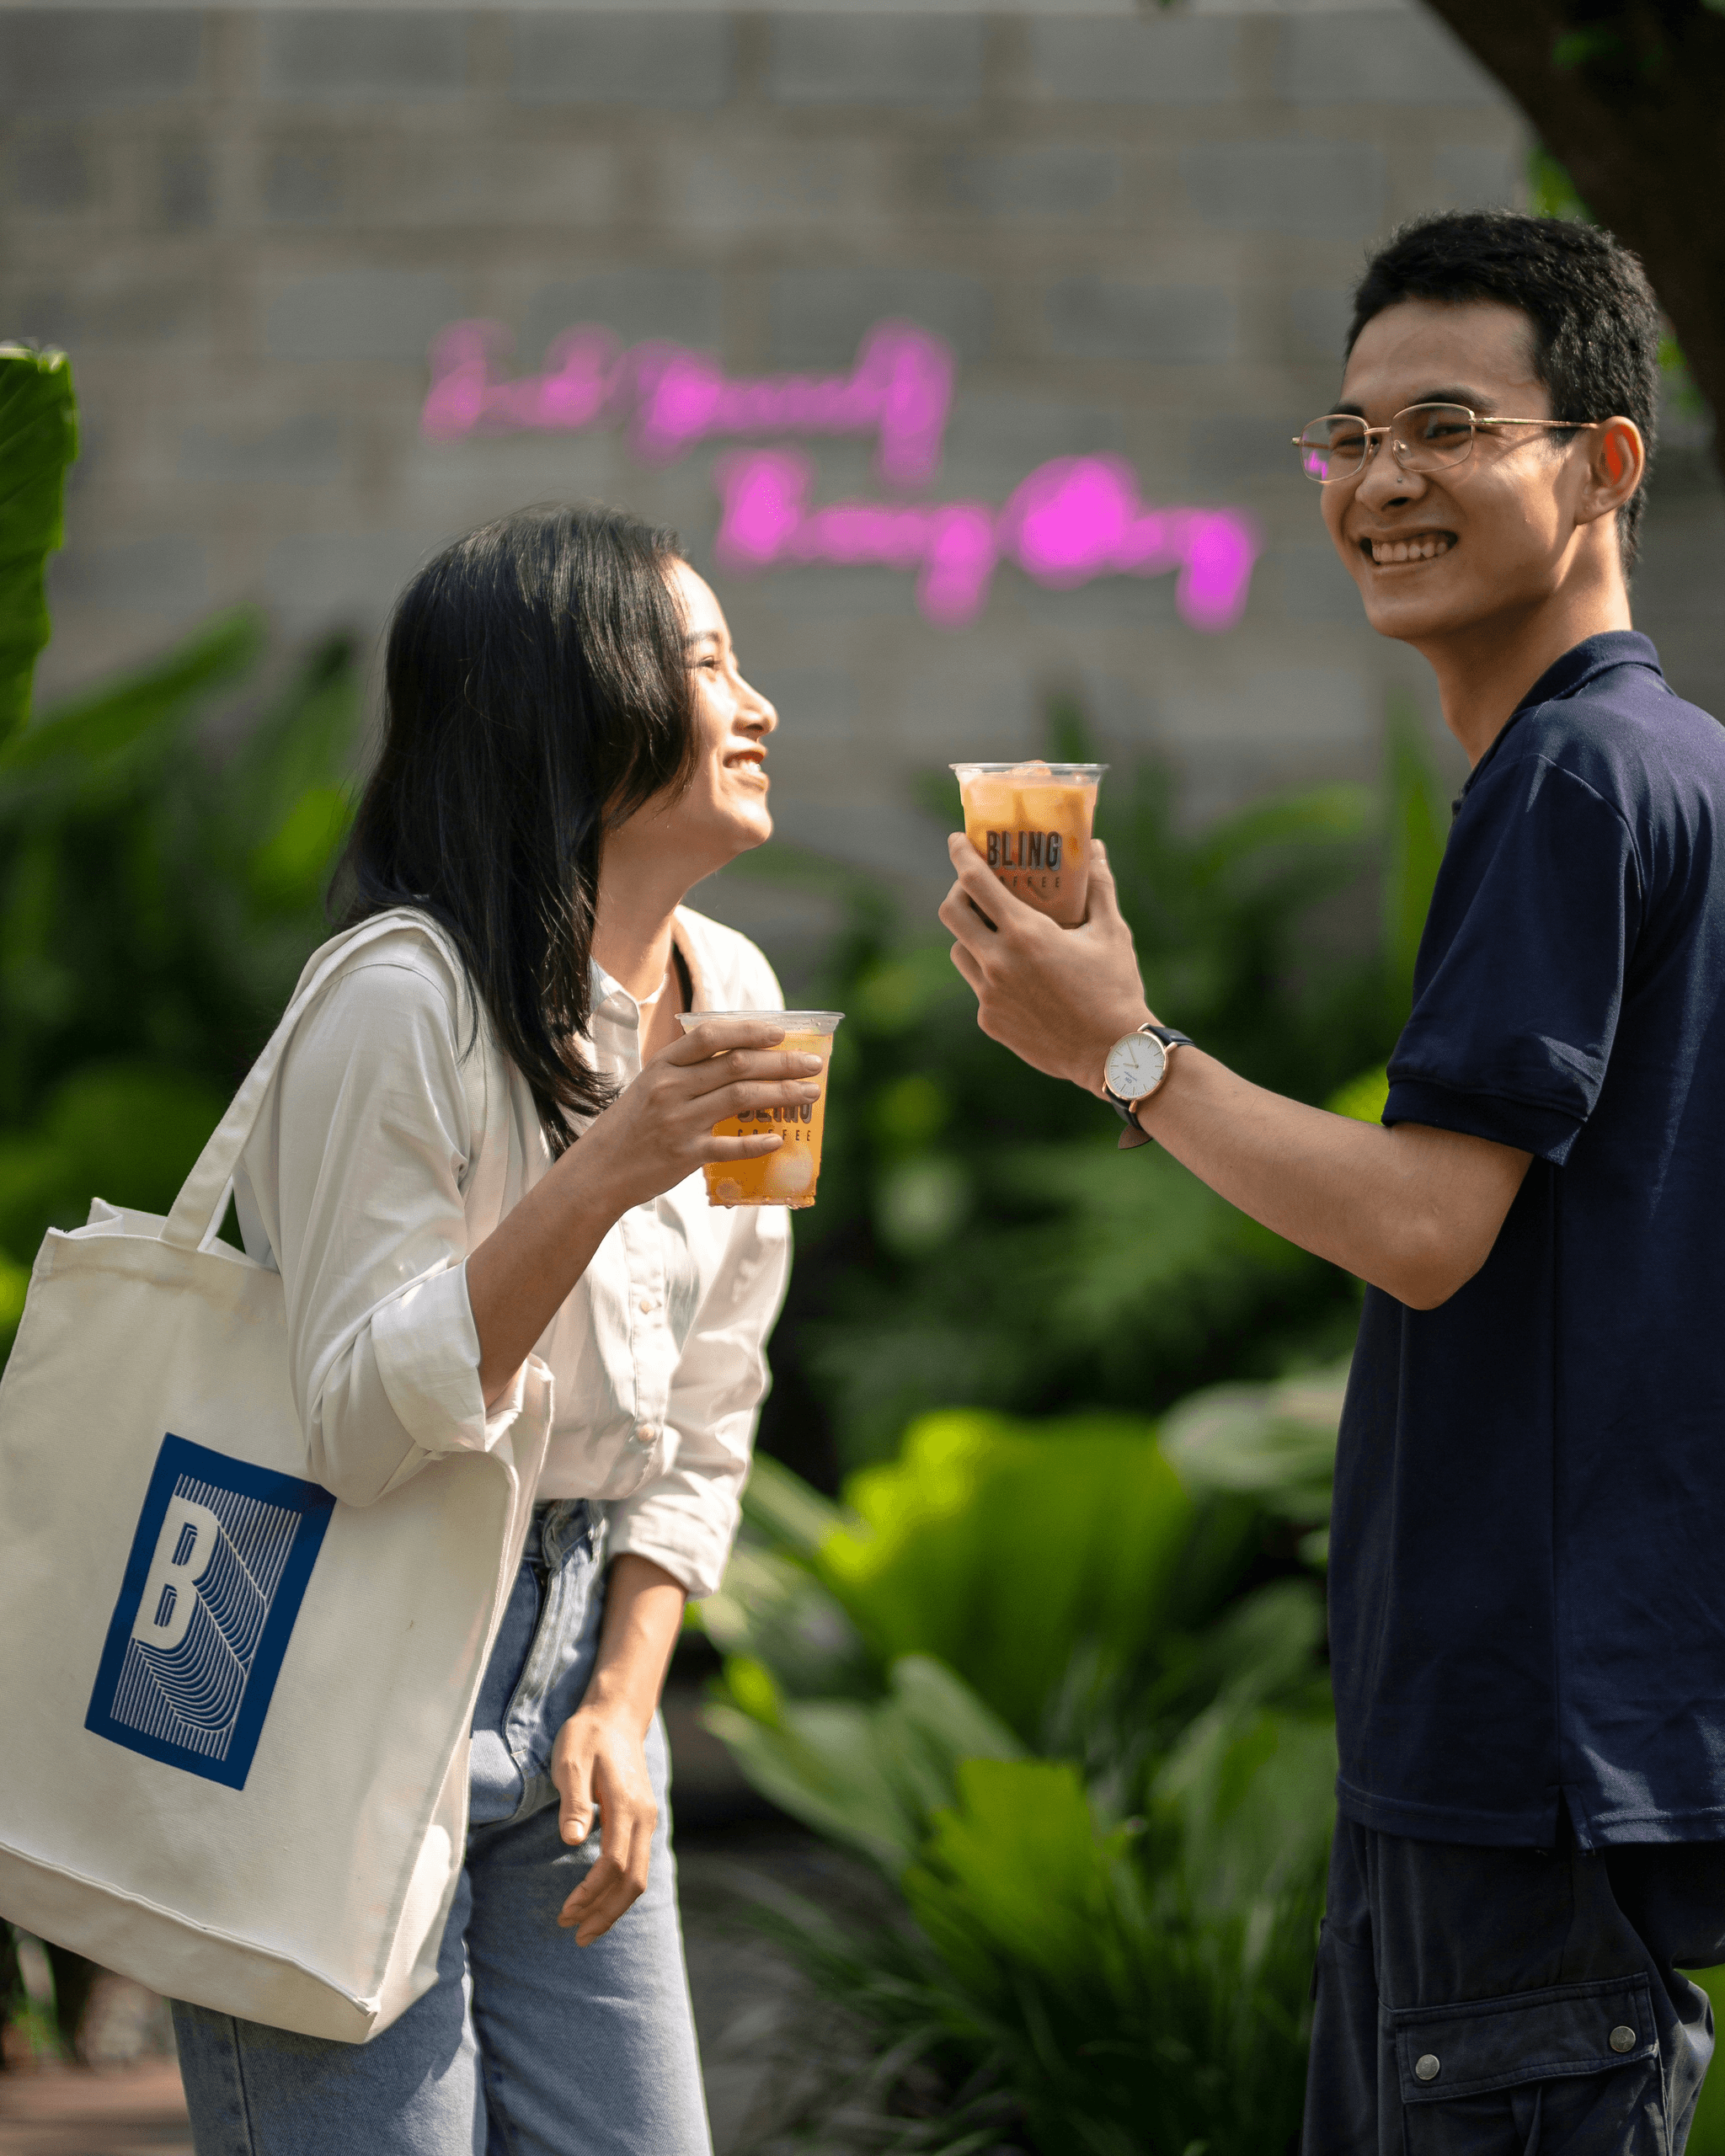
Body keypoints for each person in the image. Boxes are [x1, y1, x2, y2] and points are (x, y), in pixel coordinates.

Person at [937, 210, 1725, 2153]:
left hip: (1517, 1760)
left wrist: (1121, 1051)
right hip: (1574, 1747)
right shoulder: (1672, 767)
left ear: (1601, 462)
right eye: (1348, 435)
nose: (1378, 482)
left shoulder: (1569, 783)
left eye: (1446, 426)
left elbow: (1422, 1226)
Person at [170, 504, 823, 2155]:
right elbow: (362, 1429)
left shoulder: (738, 991)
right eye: (705, 663)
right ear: (574, 706)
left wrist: (624, 1696)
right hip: (339, 1668)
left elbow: (719, 1383)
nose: (756, 707)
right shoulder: (398, 1000)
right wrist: (610, 1163)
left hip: (577, 1662)